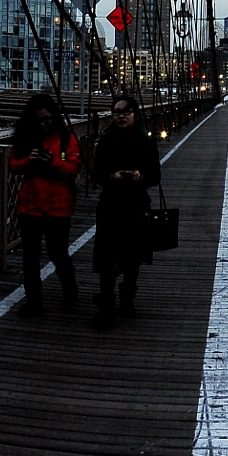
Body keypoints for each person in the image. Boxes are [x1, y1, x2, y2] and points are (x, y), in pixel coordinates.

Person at [89, 93, 160, 330]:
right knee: (107, 256)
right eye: (116, 112)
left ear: (135, 115)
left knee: (133, 255)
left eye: (125, 112)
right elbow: (96, 173)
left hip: (137, 203)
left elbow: (156, 175)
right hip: (110, 203)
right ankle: (107, 306)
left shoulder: (146, 140)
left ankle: (128, 294)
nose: (120, 116)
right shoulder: (105, 140)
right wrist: (113, 177)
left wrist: (141, 177)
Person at [8, 92, 80, 317]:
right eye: (38, 119)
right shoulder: (24, 139)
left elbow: (74, 167)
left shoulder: (66, 138)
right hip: (30, 205)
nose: (42, 124)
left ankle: (70, 288)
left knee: (57, 253)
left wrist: (53, 162)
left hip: (58, 206)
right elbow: (13, 164)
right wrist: (30, 159)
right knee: (30, 257)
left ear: (54, 117)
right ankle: (34, 302)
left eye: (46, 119)